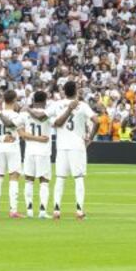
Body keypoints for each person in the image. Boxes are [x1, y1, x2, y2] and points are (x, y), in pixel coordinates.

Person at [50, 80, 96, 220]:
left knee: (60, 178)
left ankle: (56, 210)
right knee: (78, 178)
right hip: (77, 146)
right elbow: (97, 120)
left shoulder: (56, 105)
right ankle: (79, 211)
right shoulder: (82, 105)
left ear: (63, 91)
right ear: (76, 91)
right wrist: (91, 138)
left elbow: (52, 121)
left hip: (62, 146)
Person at [0, 89, 25, 218]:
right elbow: (16, 128)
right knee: (14, 178)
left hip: (0, 148)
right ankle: (13, 210)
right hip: (13, 148)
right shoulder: (18, 116)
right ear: (14, 100)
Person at [19, 91, 54, 218]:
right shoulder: (49, 113)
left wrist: (33, 138)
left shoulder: (24, 114)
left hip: (29, 151)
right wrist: (39, 138)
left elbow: (21, 134)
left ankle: (29, 210)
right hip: (43, 152)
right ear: (45, 101)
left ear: (33, 100)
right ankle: (42, 211)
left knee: (29, 180)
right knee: (44, 181)